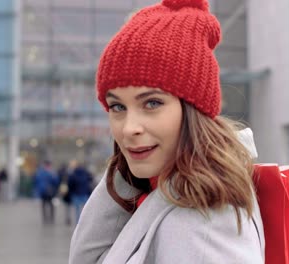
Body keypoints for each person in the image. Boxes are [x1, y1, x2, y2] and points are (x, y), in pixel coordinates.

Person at [69, 0, 264, 263]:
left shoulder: (203, 223)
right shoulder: (152, 188)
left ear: (193, 110)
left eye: (152, 103)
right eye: (117, 106)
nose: (129, 128)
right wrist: (123, 177)